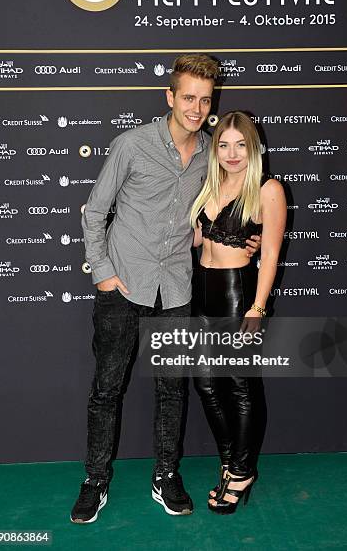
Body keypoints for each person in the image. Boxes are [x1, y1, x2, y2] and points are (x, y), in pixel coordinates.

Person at [70, 55, 262, 522]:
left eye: (205, 99)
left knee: (172, 392)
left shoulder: (209, 156)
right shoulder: (132, 145)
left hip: (175, 288)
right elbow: (94, 211)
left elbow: (218, 211)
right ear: (170, 97)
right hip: (123, 286)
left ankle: (165, 476)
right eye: (189, 97)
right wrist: (104, 275)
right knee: (106, 390)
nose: (196, 108)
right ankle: (95, 481)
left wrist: (239, 236)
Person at [190, 110, 286, 514]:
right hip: (201, 290)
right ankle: (231, 461)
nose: (231, 153)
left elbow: (271, 254)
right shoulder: (208, 183)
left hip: (237, 291)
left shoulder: (268, 189)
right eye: (224, 144)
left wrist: (258, 306)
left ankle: (243, 471)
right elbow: (194, 240)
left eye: (240, 145)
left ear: (254, 148)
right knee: (207, 386)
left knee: (241, 386)